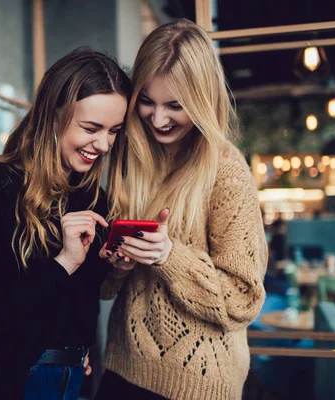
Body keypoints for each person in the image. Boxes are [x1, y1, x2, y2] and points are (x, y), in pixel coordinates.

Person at [0, 47, 131, 399]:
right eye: (91, 128)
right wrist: (65, 263)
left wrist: (113, 265)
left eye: (114, 130)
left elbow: (75, 311)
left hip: (70, 386)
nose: (104, 144)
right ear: (54, 115)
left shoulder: (92, 199)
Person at [97, 20, 268, 400]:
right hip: (123, 368)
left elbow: (243, 299)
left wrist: (168, 255)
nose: (158, 119)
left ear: (203, 100)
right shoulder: (132, 161)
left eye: (175, 106)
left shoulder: (226, 173)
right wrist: (118, 263)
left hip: (200, 384)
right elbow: (107, 290)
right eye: (147, 101)